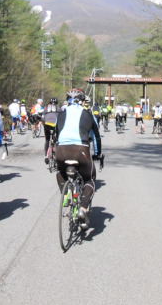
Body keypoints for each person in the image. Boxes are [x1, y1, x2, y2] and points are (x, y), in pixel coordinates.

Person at [55, 88, 102, 230]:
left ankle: (66, 195)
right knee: (90, 179)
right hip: (81, 150)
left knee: (60, 172)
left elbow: (56, 133)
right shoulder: (87, 113)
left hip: (61, 149)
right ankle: (83, 207)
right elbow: (96, 136)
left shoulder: (61, 114)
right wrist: (98, 153)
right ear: (82, 101)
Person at [42, 97, 61, 164]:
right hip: (55, 125)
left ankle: (46, 156)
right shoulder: (59, 109)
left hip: (47, 124)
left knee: (47, 140)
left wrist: (44, 124)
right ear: (56, 103)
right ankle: (57, 153)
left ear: (49, 103)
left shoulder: (46, 109)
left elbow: (43, 118)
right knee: (57, 139)